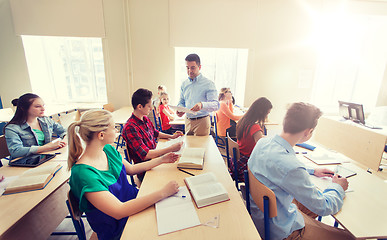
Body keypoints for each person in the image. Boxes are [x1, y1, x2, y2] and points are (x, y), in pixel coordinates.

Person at [68, 109, 179, 240]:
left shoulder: (107, 150)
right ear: (101, 135)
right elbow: (119, 211)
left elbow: (131, 169)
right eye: (114, 127)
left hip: (134, 205)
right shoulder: (83, 174)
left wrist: (161, 160)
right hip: (118, 228)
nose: (117, 131)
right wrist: (163, 192)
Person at [248, 102, 354, 240]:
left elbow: (279, 168)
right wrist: (338, 187)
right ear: (308, 132)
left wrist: (311, 170)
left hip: (261, 219)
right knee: (348, 237)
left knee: (309, 205)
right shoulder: (292, 167)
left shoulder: (262, 143)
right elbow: (323, 207)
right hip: (282, 231)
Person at [122, 88, 184, 181]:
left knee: (178, 168)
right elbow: (145, 155)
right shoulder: (130, 127)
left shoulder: (145, 118)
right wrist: (170, 149)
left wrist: (172, 136)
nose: (151, 108)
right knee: (175, 175)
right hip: (146, 170)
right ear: (139, 107)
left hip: (155, 159)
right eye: (149, 106)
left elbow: (155, 133)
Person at [4, 93, 66, 159]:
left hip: (45, 157)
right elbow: (16, 151)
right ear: (24, 108)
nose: (43, 109)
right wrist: (48, 147)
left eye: (43, 105)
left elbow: (63, 131)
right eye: (37, 106)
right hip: (25, 162)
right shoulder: (11, 128)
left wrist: (63, 141)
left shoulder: (46, 120)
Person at [230, 97, 272, 181]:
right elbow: (261, 145)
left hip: (236, 162)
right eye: (267, 113)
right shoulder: (254, 126)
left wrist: (264, 137)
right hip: (245, 166)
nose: (267, 116)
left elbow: (255, 138)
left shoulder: (243, 121)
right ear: (261, 112)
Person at [176, 53, 219, 136]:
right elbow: (182, 100)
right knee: (188, 147)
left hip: (202, 121)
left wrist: (202, 105)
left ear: (199, 67)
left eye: (193, 68)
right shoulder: (184, 84)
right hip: (187, 121)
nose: (189, 71)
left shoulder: (208, 84)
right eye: (187, 68)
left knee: (200, 148)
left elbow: (216, 105)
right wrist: (180, 108)